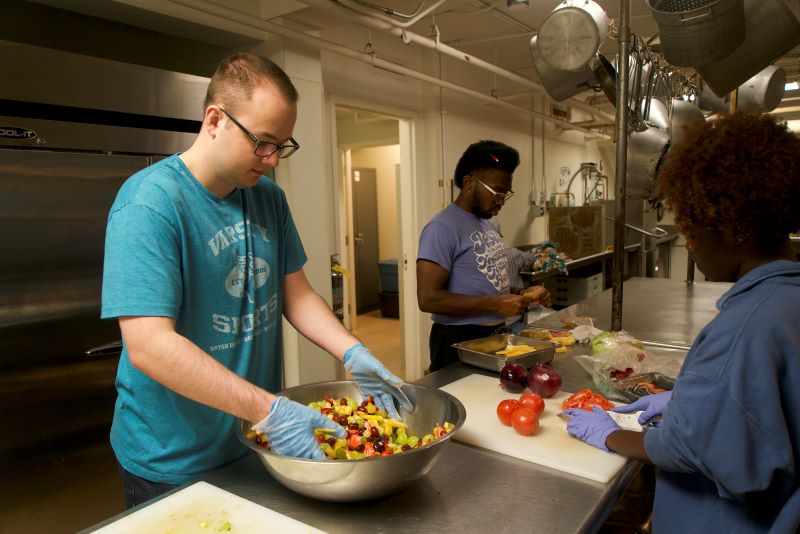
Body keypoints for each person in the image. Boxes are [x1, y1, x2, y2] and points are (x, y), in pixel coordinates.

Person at [101, 53, 411, 508]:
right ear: (214, 120)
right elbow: (150, 346)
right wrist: (270, 410)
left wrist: (352, 351)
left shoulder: (267, 198)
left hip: (253, 437)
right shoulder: (150, 203)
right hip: (173, 459)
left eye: (282, 146)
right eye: (262, 143)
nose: (272, 161)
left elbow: (297, 293)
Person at [564, 112, 800, 532]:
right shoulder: (787, 299)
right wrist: (691, 403)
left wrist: (609, 434)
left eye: (693, 227)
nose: (688, 243)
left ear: (735, 228)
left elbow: (694, 449)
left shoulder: (745, 328)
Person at [416, 140, 550, 372]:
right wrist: (497, 303)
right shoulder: (442, 228)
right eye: (496, 192)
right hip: (458, 340)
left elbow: (483, 283)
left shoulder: (488, 224)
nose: (501, 201)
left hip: (494, 335)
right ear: (469, 183)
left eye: (505, 194)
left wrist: (520, 295)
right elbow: (428, 298)